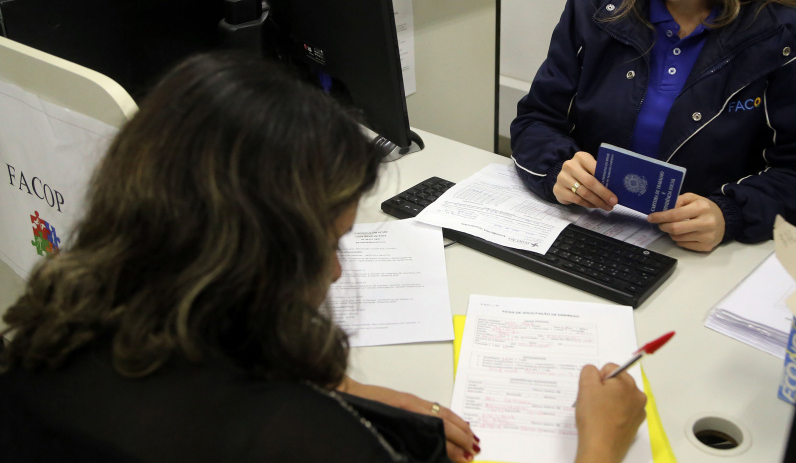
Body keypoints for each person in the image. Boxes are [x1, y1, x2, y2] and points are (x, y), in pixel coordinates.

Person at [0, 51, 646, 463]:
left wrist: (348, 390)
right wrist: (599, 444)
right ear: (253, 258)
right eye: (328, 245)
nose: (336, 270)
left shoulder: (41, 342)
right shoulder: (299, 440)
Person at [510, 0, 796, 252]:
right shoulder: (590, 12)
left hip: (709, 258)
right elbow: (535, 120)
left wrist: (729, 214)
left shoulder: (787, 37)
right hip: (595, 234)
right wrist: (557, 169)